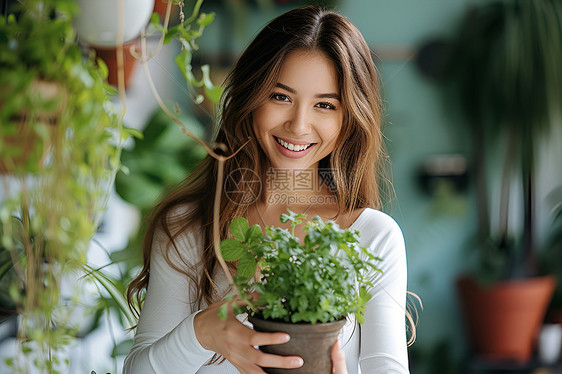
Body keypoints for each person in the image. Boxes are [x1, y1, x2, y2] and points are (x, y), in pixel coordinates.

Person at [124, 5, 412, 374]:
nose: (299, 124)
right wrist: (199, 334)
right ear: (250, 96)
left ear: (348, 120)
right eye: (280, 96)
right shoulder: (187, 226)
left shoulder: (373, 237)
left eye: (325, 105)